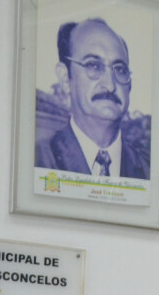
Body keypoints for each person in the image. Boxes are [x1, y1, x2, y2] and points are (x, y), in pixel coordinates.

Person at [34, 18, 149, 180]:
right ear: (65, 78)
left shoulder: (149, 171)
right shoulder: (37, 161)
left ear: (129, 85)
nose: (110, 85)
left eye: (120, 70)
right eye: (93, 65)